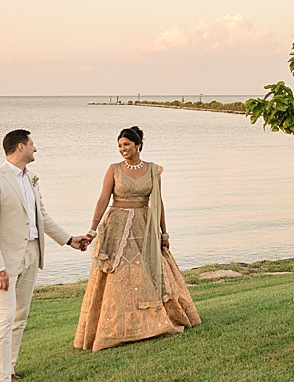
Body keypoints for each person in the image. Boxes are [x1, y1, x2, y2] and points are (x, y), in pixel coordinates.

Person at [0, 129, 90, 382]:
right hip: (4, 260)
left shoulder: (31, 180)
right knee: (3, 321)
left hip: (30, 255)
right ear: (20, 147)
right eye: (32, 144)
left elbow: (43, 218)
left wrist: (70, 240)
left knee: (20, 317)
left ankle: (11, 368)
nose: (35, 148)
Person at [74, 125, 200, 350]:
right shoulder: (113, 169)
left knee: (147, 272)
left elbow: (158, 203)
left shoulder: (153, 170)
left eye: (127, 145)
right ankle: (114, 328)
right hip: (116, 226)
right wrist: (92, 231)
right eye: (120, 146)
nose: (122, 149)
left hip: (144, 226)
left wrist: (164, 233)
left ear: (138, 145)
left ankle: (152, 323)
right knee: (118, 274)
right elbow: (103, 200)